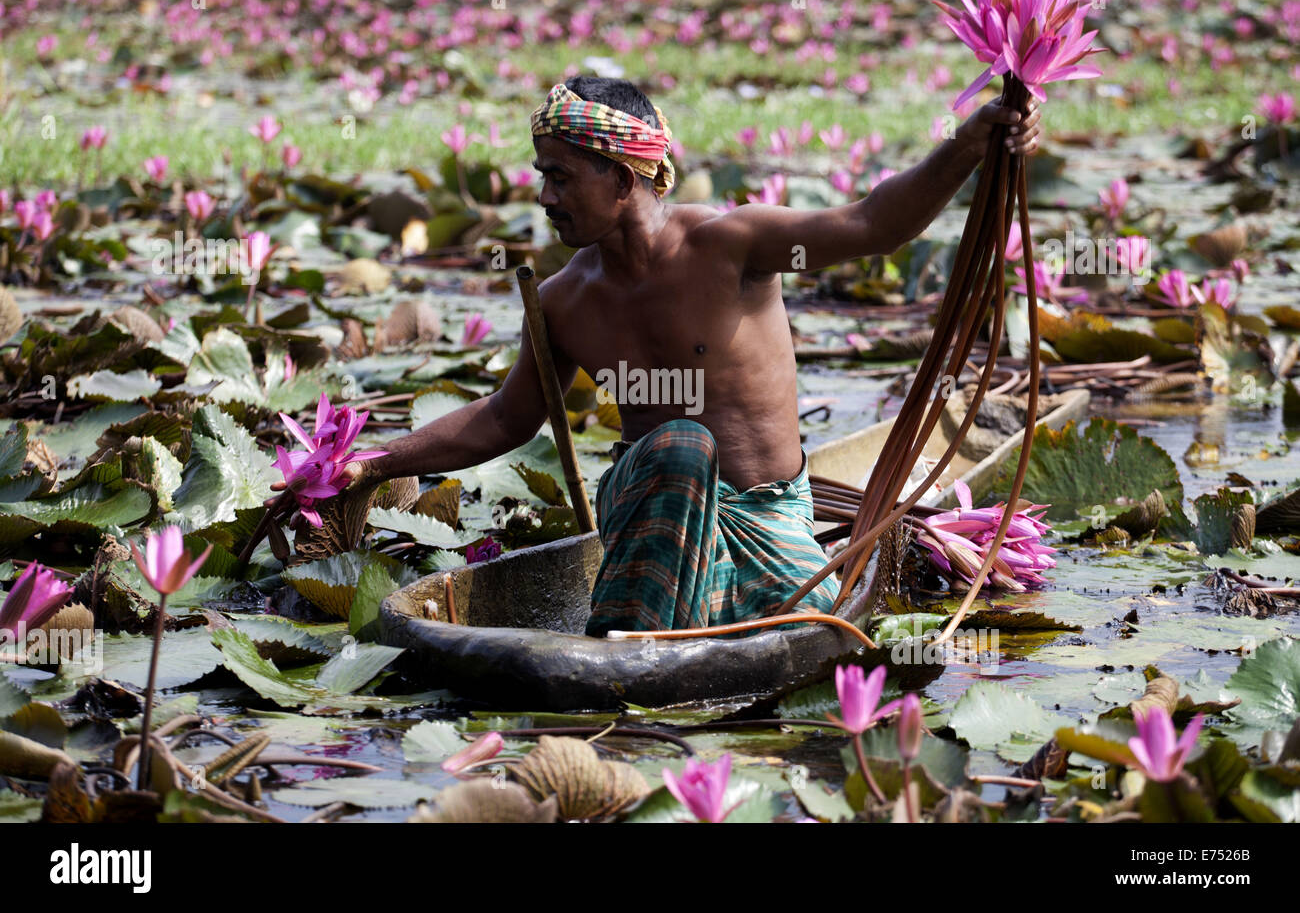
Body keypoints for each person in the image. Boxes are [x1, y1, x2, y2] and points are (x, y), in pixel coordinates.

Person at [339, 75, 1040, 637]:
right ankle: (622, 641)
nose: (545, 197)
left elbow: (872, 225)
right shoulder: (559, 301)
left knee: (814, 614)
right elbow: (505, 419)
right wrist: (376, 463)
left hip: (769, 515)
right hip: (651, 507)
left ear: (622, 179)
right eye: (541, 176)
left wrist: (969, 145)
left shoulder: (730, 243)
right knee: (680, 445)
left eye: (560, 177)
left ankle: (666, 631)